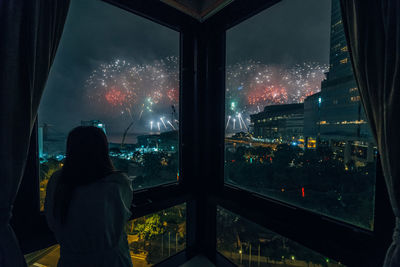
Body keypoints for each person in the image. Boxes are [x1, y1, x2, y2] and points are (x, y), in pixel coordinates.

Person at [44, 126, 133, 267]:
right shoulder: (118, 183)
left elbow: (51, 220)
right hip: (113, 261)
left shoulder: (57, 180)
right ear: (103, 150)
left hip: (70, 261)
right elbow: (121, 216)